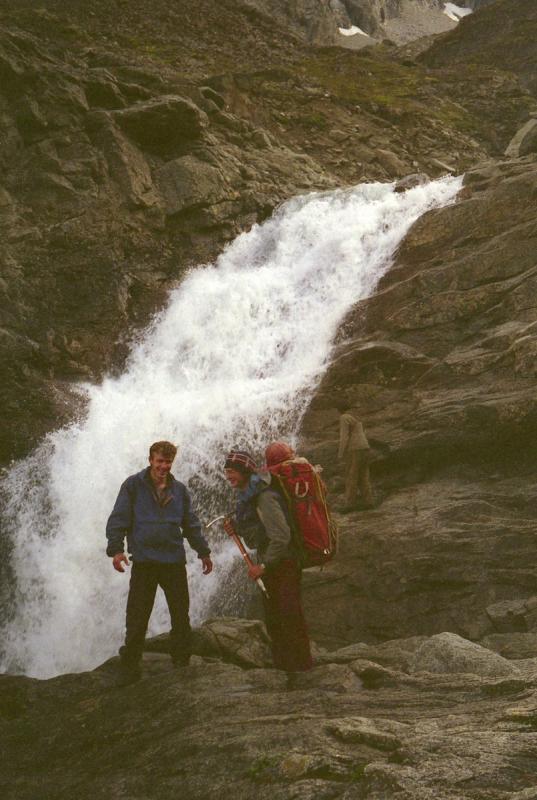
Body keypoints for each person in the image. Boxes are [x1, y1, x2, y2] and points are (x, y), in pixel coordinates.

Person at [106, 440, 213, 686]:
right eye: (160, 461)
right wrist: (116, 550)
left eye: (168, 462)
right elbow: (118, 519)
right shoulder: (133, 486)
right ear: (151, 459)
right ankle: (130, 664)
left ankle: (181, 662)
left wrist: (203, 552)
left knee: (180, 613)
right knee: (137, 615)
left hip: (173, 561)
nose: (164, 466)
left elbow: (191, 525)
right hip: (144, 560)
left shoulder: (180, 490)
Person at [224, 448, 312, 682]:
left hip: (284, 563)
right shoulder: (249, 494)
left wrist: (263, 566)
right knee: (275, 617)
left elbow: (281, 536)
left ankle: (301, 668)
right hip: (275, 563)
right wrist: (237, 527)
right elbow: (258, 531)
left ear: (244, 471)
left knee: (289, 615)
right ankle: (285, 667)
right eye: (226, 471)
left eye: (231, 471)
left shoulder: (264, 496)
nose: (228, 476)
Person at [337, 402, 374, 511]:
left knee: (351, 477)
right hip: (365, 448)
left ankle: (349, 505)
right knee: (364, 476)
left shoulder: (344, 417)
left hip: (354, 449)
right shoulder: (356, 417)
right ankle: (369, 502)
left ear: (339, 410)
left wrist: (340, 453)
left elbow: (344, 436)